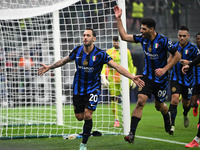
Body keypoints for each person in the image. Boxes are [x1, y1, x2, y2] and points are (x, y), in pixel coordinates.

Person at [38, 28, 145, 150]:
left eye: (88, 35)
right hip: (78, 88)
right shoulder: (77, 50)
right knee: (79, 117)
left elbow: (117, 66)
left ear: (94, 38)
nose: (85, 37)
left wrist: (132, 76)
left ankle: (83, 143)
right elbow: (63, 61)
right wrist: (49, 67)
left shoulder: (100, 54)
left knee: (88, 115)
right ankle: (87, 130)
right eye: (83, 35)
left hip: (93, 89)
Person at [113, 5, 181, 143]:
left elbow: (177, 55)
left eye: (143, 29)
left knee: (159, 106)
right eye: (141, 28)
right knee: (140, 101)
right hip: (147, 77)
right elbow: (124, 36)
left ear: (151, 29)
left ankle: (166, 115)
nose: (141, 31)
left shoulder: (163, 40)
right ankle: (131, 134)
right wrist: (119, 19)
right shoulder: (142, 38)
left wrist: (165, 69)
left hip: (161, 79)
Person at [168, 26, 199, 135]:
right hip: (175, 78)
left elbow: (199, 62)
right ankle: (172, 125)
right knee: (175, 99)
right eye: (180, 36)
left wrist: (189, 63)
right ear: (177, 36)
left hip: (188, 80)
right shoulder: (174, 47)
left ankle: (185, 114)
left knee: (186, 104)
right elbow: (169, 60)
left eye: (184, 36)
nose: (182, 38)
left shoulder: (194, 49)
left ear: (188, 36)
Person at [101, 36, 137, 127]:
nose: (116, 44)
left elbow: (130, 63)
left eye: (117, 42)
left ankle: (125, 118)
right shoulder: (109, 52)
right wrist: (103, 76)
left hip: (124, 78)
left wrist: (133, 75)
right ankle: (116, 119)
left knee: (125, 99)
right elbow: (104, 65)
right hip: (112, 78)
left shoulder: (126, 51)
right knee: (114, 98)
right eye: (114, 42)